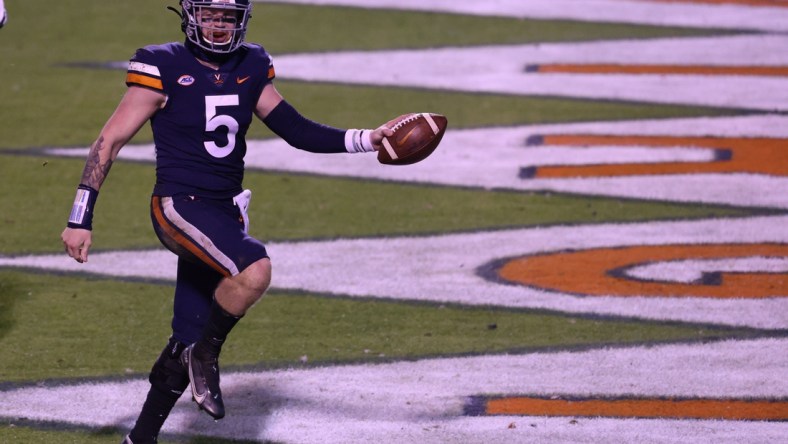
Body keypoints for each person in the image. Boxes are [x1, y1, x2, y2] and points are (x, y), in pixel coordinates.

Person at [60, 1, 394, 442]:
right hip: (179, 206)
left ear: (241, 20)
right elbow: (110, 139)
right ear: (190, 16)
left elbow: (296, 129)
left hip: (224, 211)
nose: (218, 26)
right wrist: (80, 216)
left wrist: (367, 139)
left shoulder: (251, 63)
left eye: (228, 17)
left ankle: (140, 436)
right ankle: (206, 356)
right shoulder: (162, 64)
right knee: (254, 270)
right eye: (210, 16)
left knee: (187, 331)